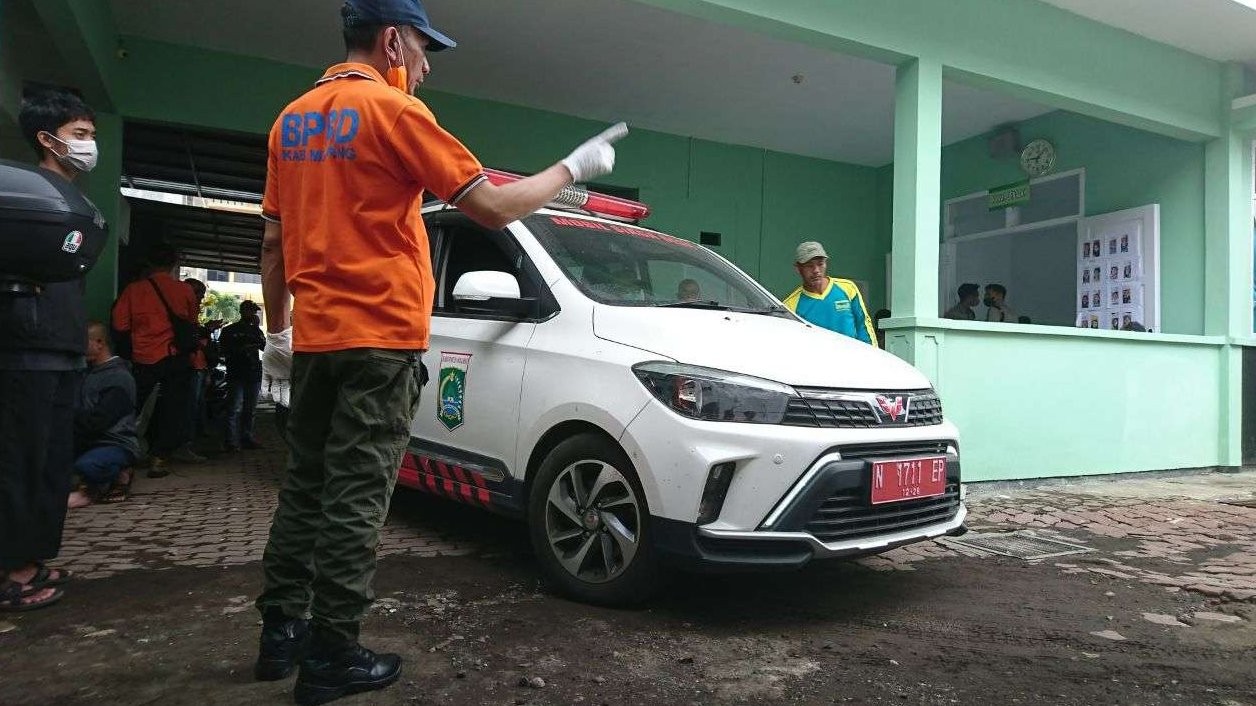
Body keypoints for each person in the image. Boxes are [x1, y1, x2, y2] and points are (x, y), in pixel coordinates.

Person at [253, 1, 627, 701]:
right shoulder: (396, 115)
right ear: (391, 40)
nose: (424, 70)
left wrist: (279, 334)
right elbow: (491, 207)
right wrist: (572, 168)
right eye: (423, 53)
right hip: (380, 341)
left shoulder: (290, 122)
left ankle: (280, 634)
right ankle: (333, 652)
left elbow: (274, 242)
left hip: (316, 343)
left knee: (304, 486)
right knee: (358, 498)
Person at [0, 89, 102, 612]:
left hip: (62, 347)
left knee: (51, 461)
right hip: (26, 346)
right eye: (79, 135)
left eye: (90, 136)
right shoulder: (22, 193)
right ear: (47, 138)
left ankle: (32, 556)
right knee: (20, 458)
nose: (89, 146)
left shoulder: (75, 199)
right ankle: (10, 572)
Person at [112, 245, 204, 476]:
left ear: (150, 264)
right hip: (175, 358)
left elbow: (119, 325)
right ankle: (159, 458)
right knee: (173, 409)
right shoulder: (184, 291)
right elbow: (192, 322)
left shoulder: (133, 291)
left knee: (132, 407)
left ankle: (119, 455)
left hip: (143, 358)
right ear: (174, 263)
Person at [67, 323, 140, 508]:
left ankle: (110, 478)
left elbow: (100, 420)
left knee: (88, 466)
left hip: (114, 442)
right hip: (87, 439)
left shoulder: (119, 378)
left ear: (99, 343)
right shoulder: (85, 373)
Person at [781, 241, 877, 346]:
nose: (816, 270)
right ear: (798, 269)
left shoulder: (848, 288)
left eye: (820, 264)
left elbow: (863, 324)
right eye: (809, 266)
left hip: (852, 358)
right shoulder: (790, 306)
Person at [219, 300, 265, 452]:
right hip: (237, 372)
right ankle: (230, 441)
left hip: (253, 373)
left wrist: (257, 330)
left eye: (254, 312)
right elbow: (224, 351)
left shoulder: (256, 331)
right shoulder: (230, 330)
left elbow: (265, 347)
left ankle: (246, 437)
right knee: (234, 408)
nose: (252, 314)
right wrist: (242, 348)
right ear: (242, 311)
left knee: (250, 409)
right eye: (250, 311)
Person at [183, 278, 223, 438]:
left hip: (199, 366)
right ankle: (186, 440)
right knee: (190, 405)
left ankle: (194, 436)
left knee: (197, 403)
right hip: (189, 367)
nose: (200, 301)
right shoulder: (182, 312)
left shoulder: (191, 313)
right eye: (198, 295)